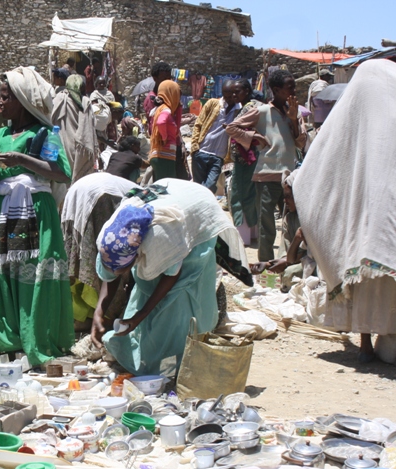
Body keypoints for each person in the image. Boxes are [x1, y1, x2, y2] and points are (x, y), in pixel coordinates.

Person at [290, 59, 396, 363]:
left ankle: (364, 343)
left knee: (357, 274)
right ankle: (377, 339)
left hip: (355, 220)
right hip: (386, 221)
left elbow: (314, 173)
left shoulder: (346, 124)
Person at [91, 179, 249, 376]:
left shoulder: (161, 239)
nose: (118, 273)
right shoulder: (111, 236)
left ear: (136, 256)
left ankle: (181, 358)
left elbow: (172, 277)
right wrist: (99, 312)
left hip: (195, 213)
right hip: (172, 198)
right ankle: (148, 351)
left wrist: (140, 317)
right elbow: (111, 274)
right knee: (147, 292)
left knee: (181, 296)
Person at [0, 67, 75, 366]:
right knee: (3, 269)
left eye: (5, 97)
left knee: (30, 269)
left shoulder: (45, 134)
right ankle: (4, 339)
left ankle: (36, 337)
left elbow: (60, 173)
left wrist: (21, 160)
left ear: (23, 100)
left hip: (34, 211)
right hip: (2, 211)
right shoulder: (1, 134)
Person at [225, 69, 306, 262]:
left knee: (292, 223)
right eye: (290, 87)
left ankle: (287, 262)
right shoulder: (262, 111)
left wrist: (294, 119)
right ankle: (266, 264)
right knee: (267, 225)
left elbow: (300, 142)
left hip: (289, 177)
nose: (294, 90)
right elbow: (232, 128)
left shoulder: (294, 112)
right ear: (277, 90)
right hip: (266, 175)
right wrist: (255, 137)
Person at [61, 172, 134, 324]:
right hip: (102, 194)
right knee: (113, 256)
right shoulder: (151, 206)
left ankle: (82, 315)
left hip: (79, 189)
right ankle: (104, 316)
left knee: (83, 256)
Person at [190, 79, 240, 192]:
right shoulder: (213, 103)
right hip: (201, 151)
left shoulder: (239, 110)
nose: (228, 99)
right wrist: (195, 147)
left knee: (210, 186)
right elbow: (198, 124)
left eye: (230, 97)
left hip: (219, 156)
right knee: (198, 187)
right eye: (225, 96)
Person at [51, 74, 99, 184]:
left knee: (63, 182)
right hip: (80, 150)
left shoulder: (58, 98)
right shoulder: (85, 101)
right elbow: (90, 127)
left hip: (61, 146)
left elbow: (50, 119)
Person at [228, 79, 262, 229]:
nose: (234, 94)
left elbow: (236, 129)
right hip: (247, 156)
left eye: (238, 91)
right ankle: (252, 227)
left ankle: (242, 227)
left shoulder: (249, 108)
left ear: (247, 91)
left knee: (239, 193)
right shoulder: (249, 106)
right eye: (232, 92)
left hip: (245, 157)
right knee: (248, 192)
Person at [148, 80, 181, 181]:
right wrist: (165, 137)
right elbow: (161, 122)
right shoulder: (166, 110)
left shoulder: (159, 109)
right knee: (169, 188)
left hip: (160, 155)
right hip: (165, 155)